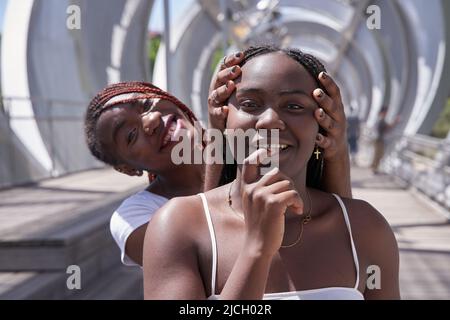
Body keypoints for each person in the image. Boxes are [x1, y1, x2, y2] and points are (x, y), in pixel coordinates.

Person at [142, 45, 400, 300]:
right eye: (250, 104)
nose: (269, 121)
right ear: (223, 120)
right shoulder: (178, 225)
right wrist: (257, 250)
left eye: (295, 106)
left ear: (321, 124)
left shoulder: (365, 227)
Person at [84, 51, 352, 267]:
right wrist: (218, 135)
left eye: (145, 105)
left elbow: (348, 241)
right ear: (128, 169)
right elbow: (212, 267)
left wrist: (334, 146)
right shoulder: (136, 217)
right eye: (131, 135)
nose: (151, 120)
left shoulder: (264, 156)